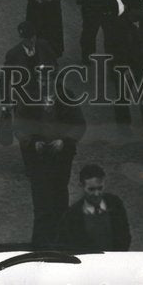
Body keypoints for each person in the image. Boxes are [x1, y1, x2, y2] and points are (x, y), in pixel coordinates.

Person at [13, 70, 86, 248]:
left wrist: (64, 141)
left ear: (55, 80)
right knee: (41, 205)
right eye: (41, 80)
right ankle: (38, 247)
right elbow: (19, 127)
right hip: (37, 159)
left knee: (60, 197)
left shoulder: (67, 96)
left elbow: (79, 124)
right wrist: (32, 143)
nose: (44, 84)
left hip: (61, 158)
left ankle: (62, 243)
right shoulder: (28, 97)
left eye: (48, 79)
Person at [111, 0, 143, 157]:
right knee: (122, 99)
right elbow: (114, 51)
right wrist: (124, 70)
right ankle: (124, 129)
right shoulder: (118, 25)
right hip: (124, 66)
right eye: (137, 10)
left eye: (142, 8)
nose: (141, 12)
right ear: (128, 10)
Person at [55, 164, 131, 252]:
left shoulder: (115, 203)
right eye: (91, 189)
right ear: (81, 186)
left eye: (100, 188)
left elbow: (125, 235)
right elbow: (63, 247)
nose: (97, 194)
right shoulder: (72, 216)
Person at [2, 21, 58, 105]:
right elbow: (5, 80)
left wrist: (48, 76)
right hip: (25, 95)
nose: (32, 40)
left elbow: (54, 65)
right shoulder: (13, 55)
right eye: (28, 38)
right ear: (22, 39)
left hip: (45, 90)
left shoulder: (44, 46)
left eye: (33, 36)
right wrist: (5, 102)